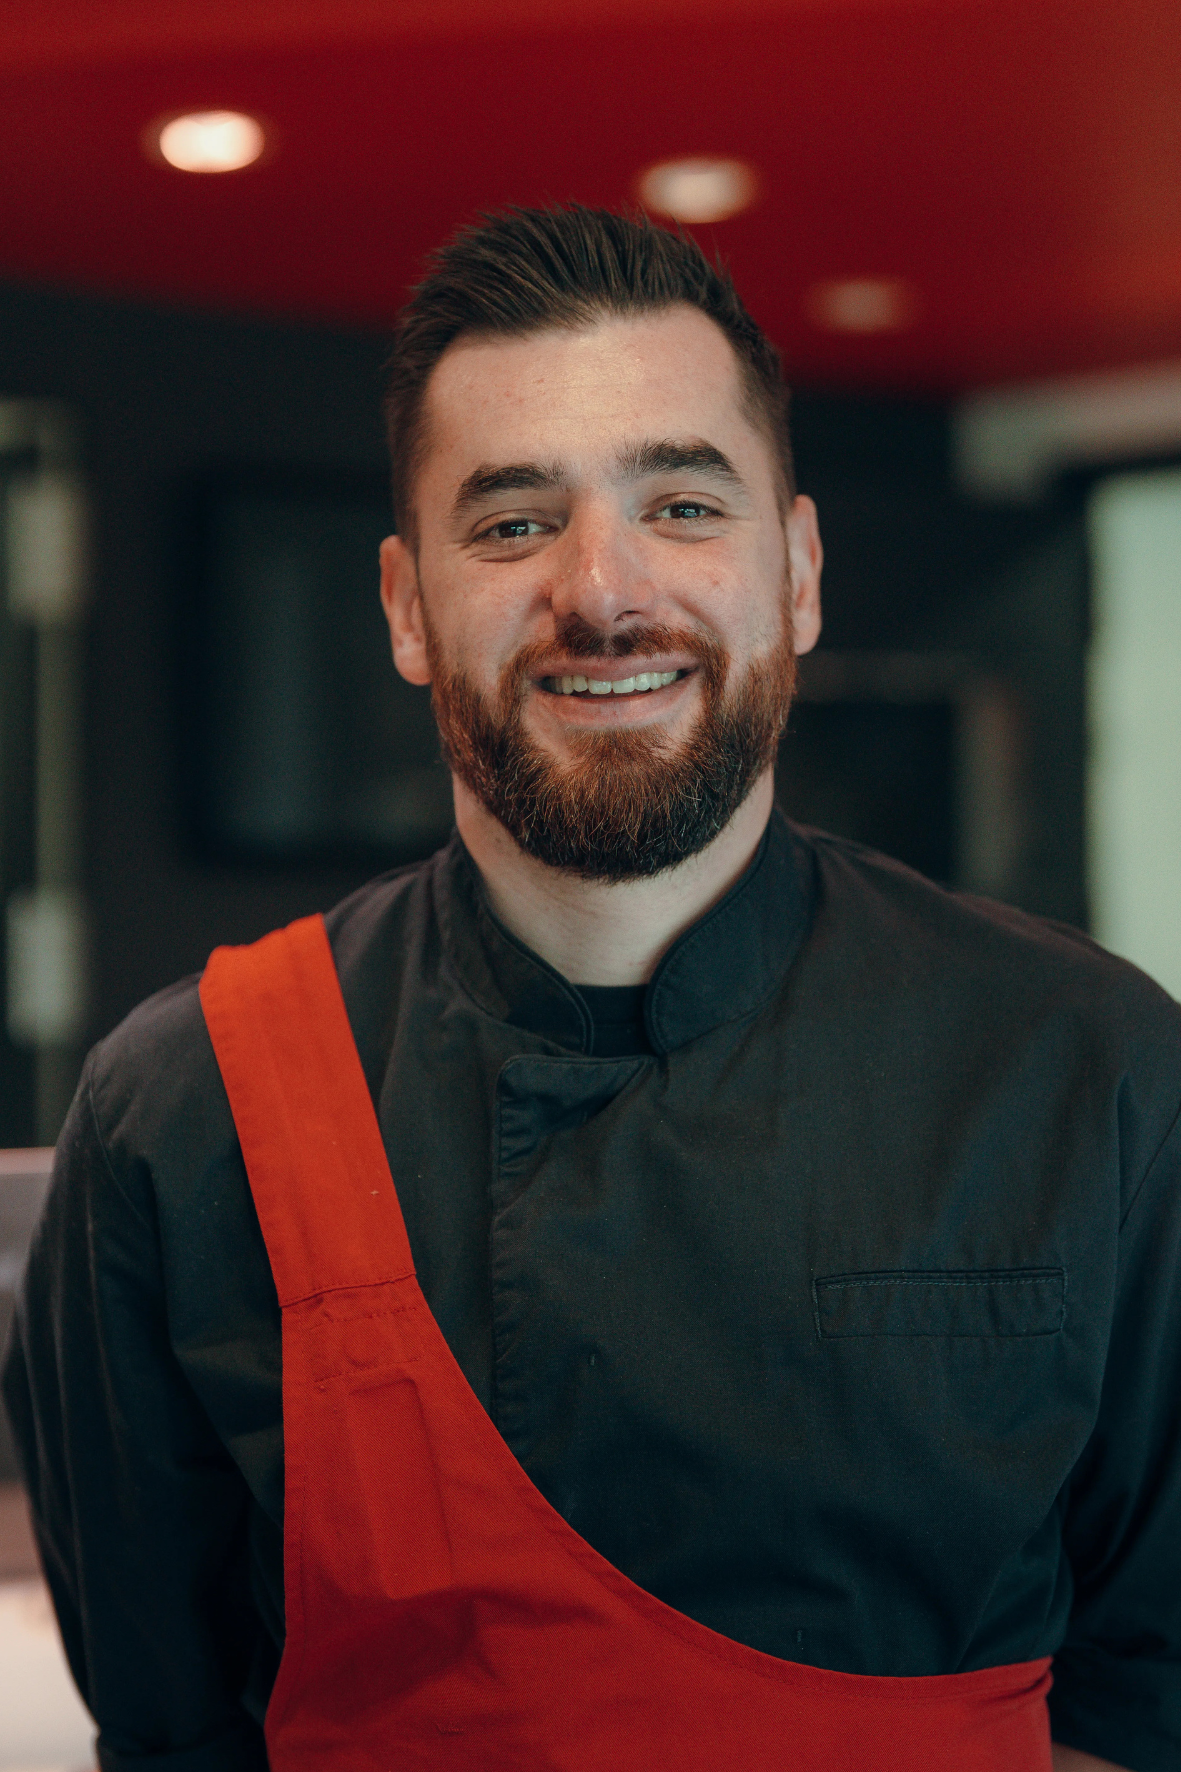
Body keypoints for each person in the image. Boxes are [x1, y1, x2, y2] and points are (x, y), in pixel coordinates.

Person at [4, 207, 1179, 1772]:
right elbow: (172, 1730)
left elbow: (1149, 1693)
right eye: (512, 524)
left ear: (798, 572)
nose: (604, 592)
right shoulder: (184, 1111)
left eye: (682, 504)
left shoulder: (1089, 1064)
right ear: (408, 607)